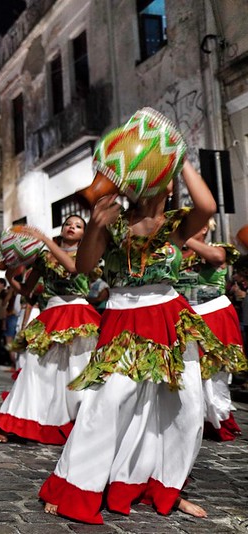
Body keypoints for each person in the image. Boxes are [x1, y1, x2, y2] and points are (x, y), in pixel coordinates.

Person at [40, 159, 217, 523]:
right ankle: (74, 484)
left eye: (169, 178)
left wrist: (176, 155)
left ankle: (164, 486)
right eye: (162, 176)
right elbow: (85, 269)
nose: (167, 184)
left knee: (186, 407)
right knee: (108, 402)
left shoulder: (176, 224)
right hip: (124, 317)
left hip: (170, 316)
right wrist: (93, 226)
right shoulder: (113, 221)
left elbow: (208, 207)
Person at [0, 216, 100, 445]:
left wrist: (45, 240)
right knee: (34, 369)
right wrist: (10, 276)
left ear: (84, 234)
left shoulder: (88, 253)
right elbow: (29, 292)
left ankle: (81, 423)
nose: (72, 227)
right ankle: (16, 422)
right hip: (52, 311)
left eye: (78, 226)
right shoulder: (43, 256)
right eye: (69, 223)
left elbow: (72, 267)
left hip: (78, 313)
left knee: (76, 370)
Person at [175, 222, 247, 440]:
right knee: (188, 370)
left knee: (214, 371)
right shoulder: (175, 254)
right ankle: (190, 418)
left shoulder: (218, 247)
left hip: (213, 313)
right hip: (184, 316)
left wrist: (186, 239)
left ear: (205, 227)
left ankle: (218, 418)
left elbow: (216, 258)